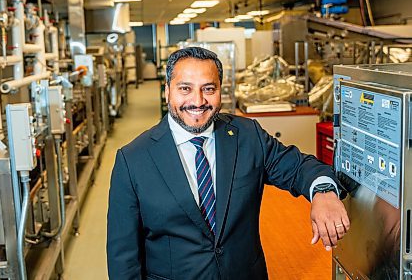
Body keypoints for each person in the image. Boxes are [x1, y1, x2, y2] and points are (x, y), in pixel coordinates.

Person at [107, 47, 349, 280]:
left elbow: (297, 167)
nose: (198, 100)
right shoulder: (133, 160)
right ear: (168, 90)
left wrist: (324, 191)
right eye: (185, 89)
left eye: (208, 88)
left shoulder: (247, 135)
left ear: (221, 89)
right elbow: (123, 259)